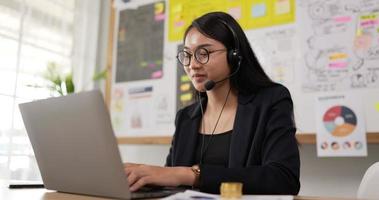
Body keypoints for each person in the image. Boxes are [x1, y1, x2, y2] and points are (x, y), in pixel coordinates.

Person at [125, 11, 300, 195]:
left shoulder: (271, 100)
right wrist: (143, 178)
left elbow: (284, 179)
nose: (193, 64)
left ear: (234, 55)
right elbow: (171, 182)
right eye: (187, 55)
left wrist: (193, 174)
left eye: (204, 53)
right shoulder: (186, 117)